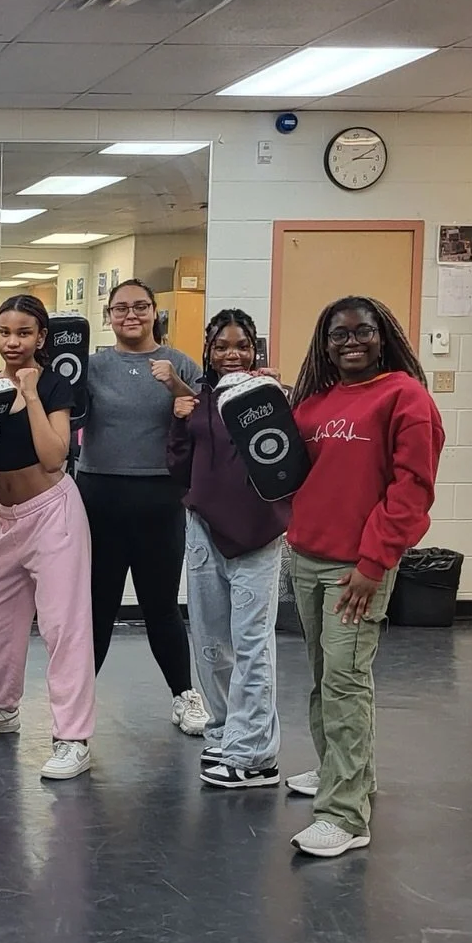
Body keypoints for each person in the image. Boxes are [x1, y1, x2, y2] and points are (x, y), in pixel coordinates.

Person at [285, 297, 443, 857]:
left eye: (363, 332)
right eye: (338, 334)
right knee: (326, 676)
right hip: (305, 558)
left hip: (357, 568)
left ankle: (346, 815)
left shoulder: (405, 397)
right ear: (324, 343)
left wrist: (374, 564)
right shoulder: (313, 404)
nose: (350, 342)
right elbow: (284, 470)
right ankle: (343, 773)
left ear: (383, 337)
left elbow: (411, 490)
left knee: (345, 683)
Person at [0, 296, 95, 779]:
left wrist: (31, 394)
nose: (13, 342)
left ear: (41, 338)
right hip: (7, 518)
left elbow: (55, 457)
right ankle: (2, 709)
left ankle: (73, 738)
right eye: (5, 332)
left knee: (63, 628)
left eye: (24, 333)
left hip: (53, 513)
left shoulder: (55, 385)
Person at [78, 279, 211, 734]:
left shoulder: (179, 363)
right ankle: (78, 703)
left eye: (140, 307)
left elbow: (205, 421)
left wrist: (174, 385)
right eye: (120, 308)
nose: (130, 315)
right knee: (97, 606)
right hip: (100, 498)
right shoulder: (92, 366)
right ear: (108, 316)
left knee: (161, 606)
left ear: (155, 312)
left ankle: (184, 695)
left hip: (159, 499)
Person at [166, 310, 290, 789]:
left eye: (241, 345)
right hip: (203, 532)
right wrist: (180, 421)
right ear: (209, 352)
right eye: (221, 346)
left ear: (255, 349)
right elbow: (179, 466)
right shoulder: (199, 399)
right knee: (213, 646)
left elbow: (286, 463)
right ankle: (224, 733)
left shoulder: (270, 396)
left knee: (252, 647)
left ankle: (256, 754)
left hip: (256, 536)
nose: (231, 354)